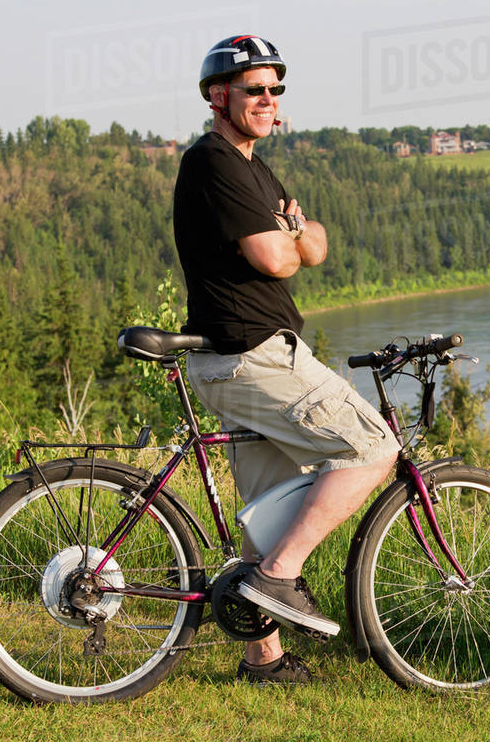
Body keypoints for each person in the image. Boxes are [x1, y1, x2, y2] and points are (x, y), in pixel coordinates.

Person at [172, 35, 400, 684]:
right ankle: (280, 574)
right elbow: (278, 259)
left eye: (276, 89)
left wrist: (292, 233)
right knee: (373, 448)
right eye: (255, 89)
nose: (268, 99)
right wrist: (289, 236)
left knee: (270, 506)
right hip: (253, 354)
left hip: (241, 356)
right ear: (219, 97)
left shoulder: (255, 169)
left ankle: (263, 660)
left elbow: (315, 246)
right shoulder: (213, 162)